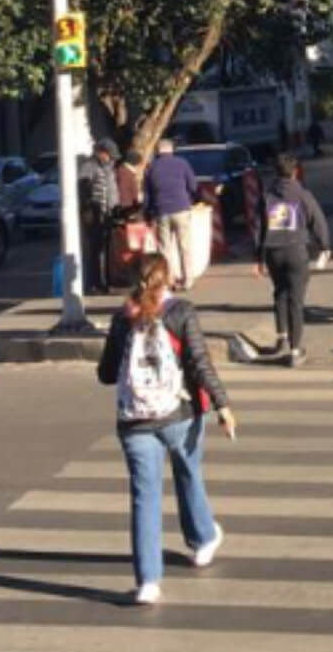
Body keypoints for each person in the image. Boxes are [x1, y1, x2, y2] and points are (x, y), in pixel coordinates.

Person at [96, 252, 236, 606]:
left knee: (144, 498)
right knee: (189, 473)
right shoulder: (181, 312)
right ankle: (203, 540)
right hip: (181, 415)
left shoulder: (122, 318)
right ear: (168, 278)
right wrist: (223, 405)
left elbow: (106, 374)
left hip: (135, 422)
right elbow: (199, 363)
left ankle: (148, 582)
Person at [255, 155, 330, 364]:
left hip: (273, 251)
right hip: (296, 251)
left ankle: (281, 337)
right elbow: (318, 220)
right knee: (295, 301)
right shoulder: (302, 194)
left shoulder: (267, 195)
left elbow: (258, 228)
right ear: (295, 171)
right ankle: (296, 351)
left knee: (279, 292)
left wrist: (258, 258)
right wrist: (324, 246)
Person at [144, 139, 200, 289]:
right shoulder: (182, 163)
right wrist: (189, 198)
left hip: (161, 211)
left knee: (164, 248)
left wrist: (148, 213)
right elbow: (193, 186)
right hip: (181, 208)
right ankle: (188, 280)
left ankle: (169, 280)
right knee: (184, 246)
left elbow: (148, 194)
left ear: (158, 151)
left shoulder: (151, 167)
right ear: (171, 150)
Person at [78, 139, 120, 295]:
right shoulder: (89, 167)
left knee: (107, 249)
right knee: (95, 251)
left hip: (108, 214)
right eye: (109, 155)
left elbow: (112, 190)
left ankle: (107, 281)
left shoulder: (110, 168)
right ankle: (95, 283)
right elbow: (83, 190)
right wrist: (90, 209)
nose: (111, 159)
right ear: (101, 153)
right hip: (94, 215)